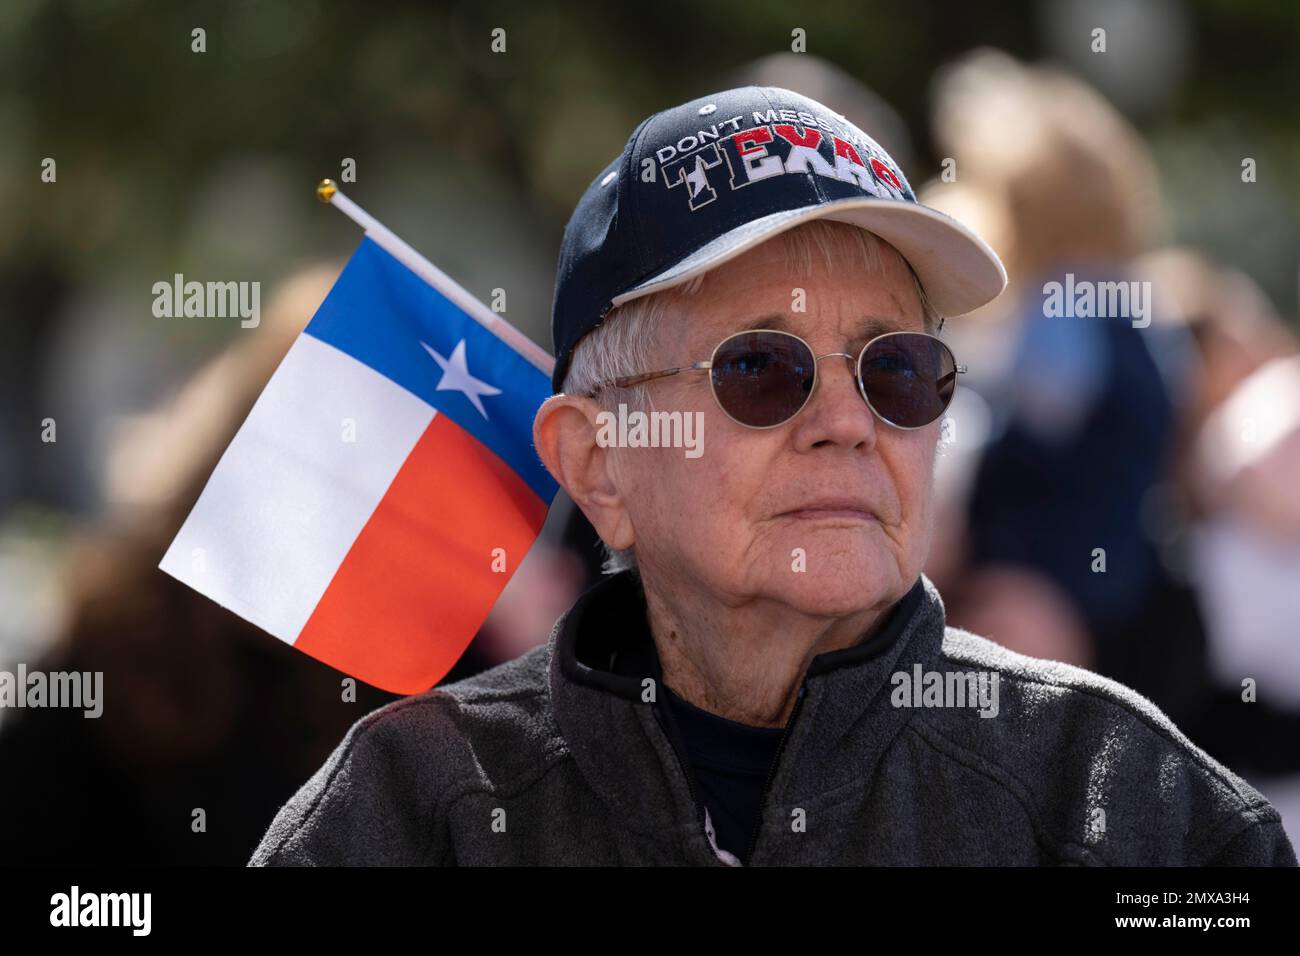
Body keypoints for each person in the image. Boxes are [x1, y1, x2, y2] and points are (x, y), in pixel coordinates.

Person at [249, 86, 1296, 866]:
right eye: (759, 367)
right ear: (597, 461)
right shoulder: (395, 818)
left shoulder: (1133, 807)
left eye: (897, 368)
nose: (848, 422)